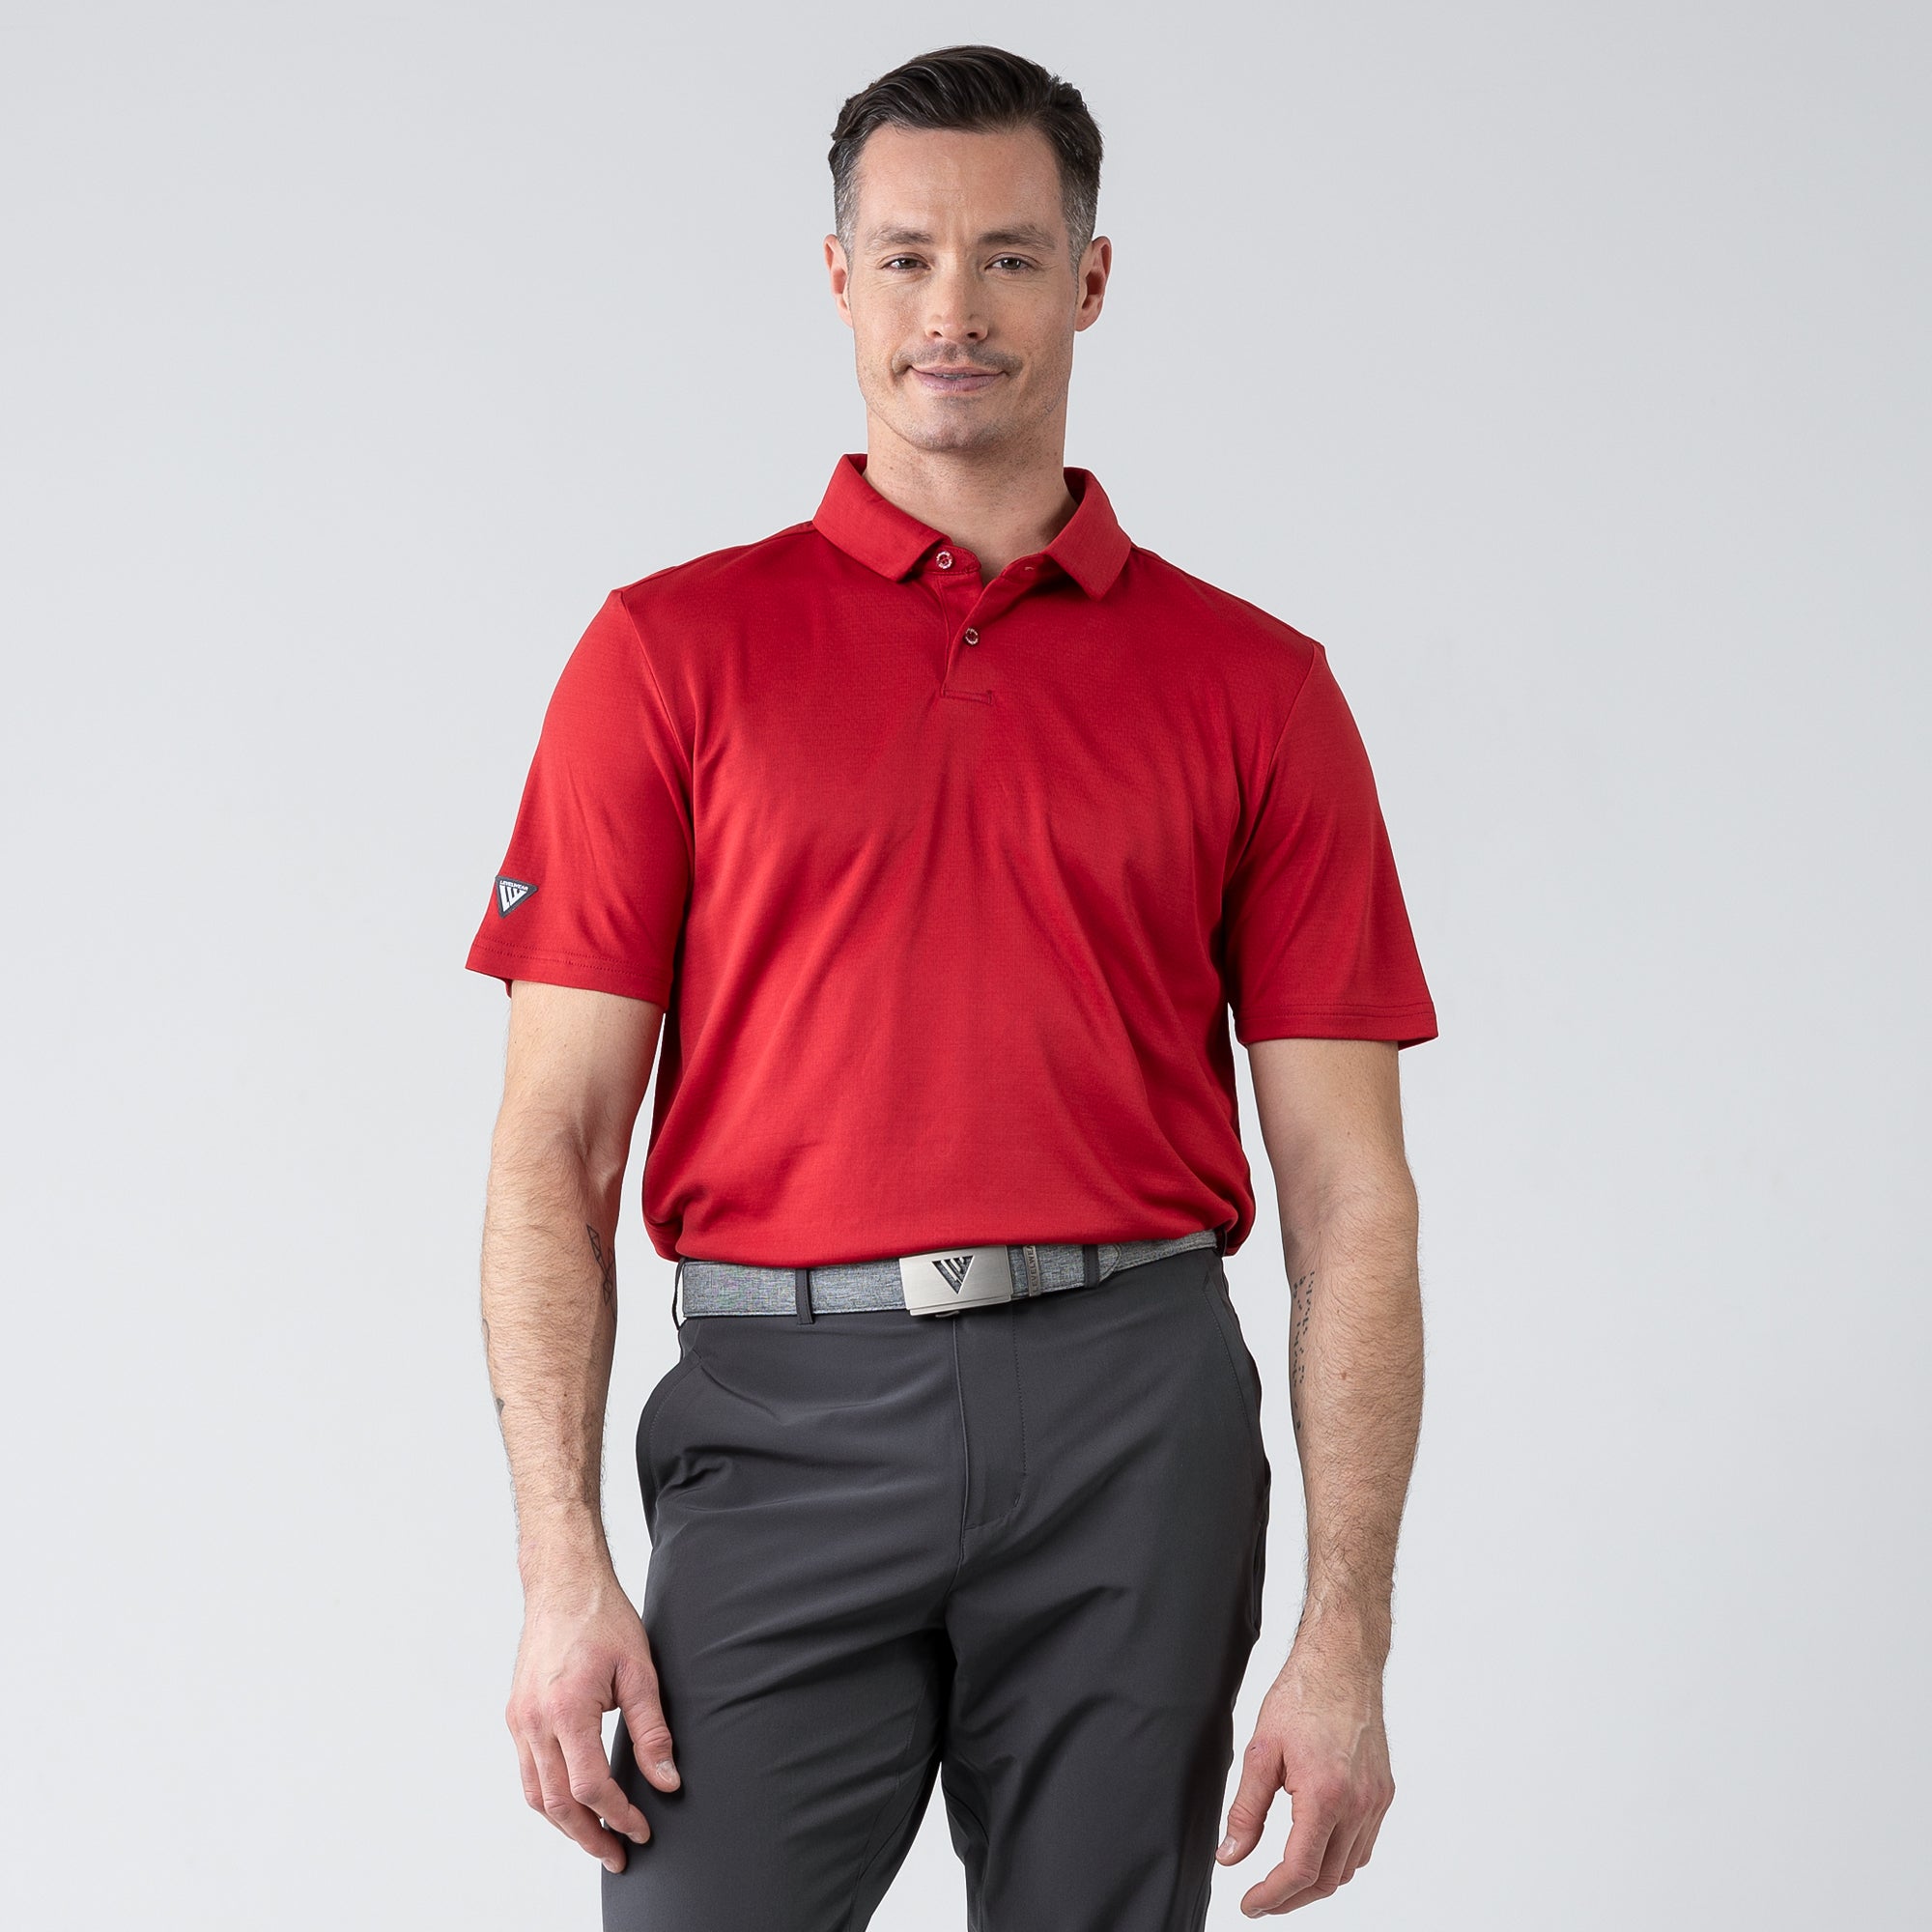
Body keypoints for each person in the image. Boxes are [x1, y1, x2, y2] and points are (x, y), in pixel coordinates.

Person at [466, 43, 1438, 1931]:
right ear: (839, 279)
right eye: (907, 258)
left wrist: (1346, 1641)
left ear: (1090, 279)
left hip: (1132, 1419)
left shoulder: (1256, 689)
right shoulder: (668, 655)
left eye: (1008, 256)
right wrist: (560, 1565)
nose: (954, 310)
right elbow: (550, 1150)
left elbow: (1353, 1196)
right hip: (780, 1412)